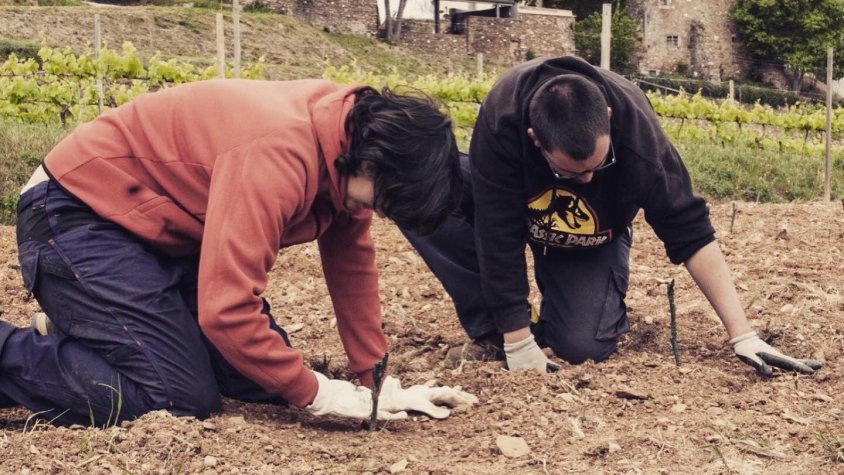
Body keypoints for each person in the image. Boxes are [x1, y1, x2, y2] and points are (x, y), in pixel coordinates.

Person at [0, 78, 478, 427]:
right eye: (381, 201)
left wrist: (375, 383)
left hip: (153, 233)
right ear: (374, 159)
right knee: (177, 394)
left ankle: (98, 326)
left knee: (259, 379)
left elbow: (352, 269)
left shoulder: (348, 145)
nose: (371, 211)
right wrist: (320, 395)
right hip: (76, 212)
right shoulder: (280, 150)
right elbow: (226, 312)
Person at [405, 56, 822, 378]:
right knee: (412, 187)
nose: (585, 179)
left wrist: (742, 334)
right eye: (570, 172)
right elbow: (497, 234)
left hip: (587, 235)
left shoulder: (639, 136)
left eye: (596, 168)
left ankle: (555, 317)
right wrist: (516, 342)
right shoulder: (504, 117)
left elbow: (689, 229)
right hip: (515, 204)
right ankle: (498, 330)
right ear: (534, 141)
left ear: (607, 119)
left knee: (581, 345)